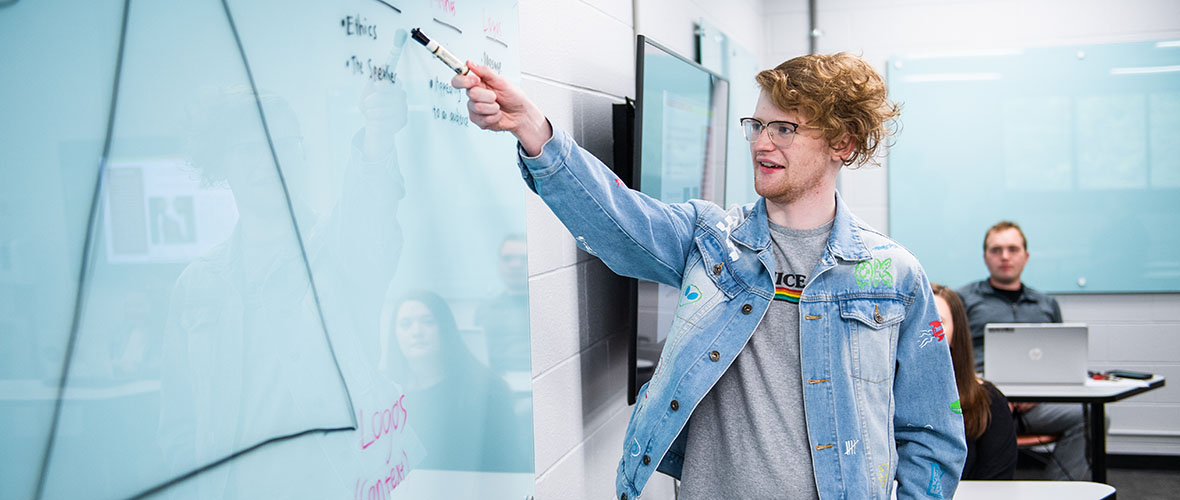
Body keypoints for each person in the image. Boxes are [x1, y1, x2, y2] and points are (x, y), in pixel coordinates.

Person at [454, 53, 966, 499]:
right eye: (757, 125)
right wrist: (533, 129)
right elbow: (616, 217)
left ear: (843, 144)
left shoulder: (893, 276)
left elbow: (933, 433)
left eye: (785, 128)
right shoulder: (712, 239)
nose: (762, 143)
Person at [958, 221, 1089, 481]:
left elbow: (1060, 360)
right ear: (985, 256)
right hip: (981, 402)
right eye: (996, 250)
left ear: (1025, 256)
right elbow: (952, 354)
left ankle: (1062, 493)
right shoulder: (963, 300)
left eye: (1012, 249)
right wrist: (990, 394)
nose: (1004, 256)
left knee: (1087, 416)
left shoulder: (1046, 303)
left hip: (1037, 404)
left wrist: (1039, 395)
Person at [377, 289, 530, 473]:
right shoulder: (385, 394)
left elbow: (505, 465)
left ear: (445, 328)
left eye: (427, 322)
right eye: (405, 324)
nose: (416, 332)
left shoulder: (487, 391)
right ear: (394, 335)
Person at [931, 283, 1017, 480]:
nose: (925, 331)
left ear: (956, 332)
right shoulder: (881, 398)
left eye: (937, 322)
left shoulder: (988, 401)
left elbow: (997, 484)